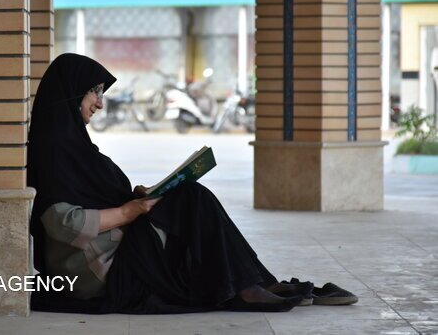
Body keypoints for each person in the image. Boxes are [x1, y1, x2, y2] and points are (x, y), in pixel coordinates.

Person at [28, 53, 311, 314]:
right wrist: (129, 211)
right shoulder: (53, 151)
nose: (100, 103)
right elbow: (61, 223)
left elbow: (91, 196)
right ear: (71, 90)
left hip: (108, 246)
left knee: (188, 197)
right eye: (95, 91)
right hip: (94, 269)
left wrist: (135, 198)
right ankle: (248, 286)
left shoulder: (71, 145)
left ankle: (252, 281)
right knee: (192, 200)